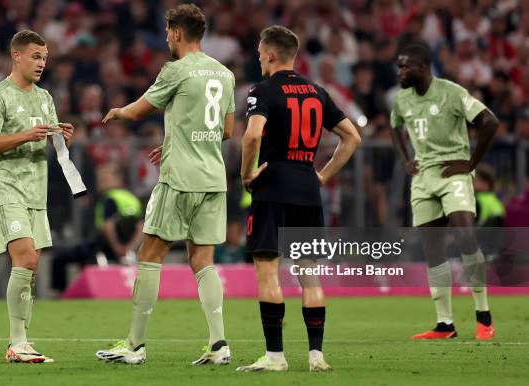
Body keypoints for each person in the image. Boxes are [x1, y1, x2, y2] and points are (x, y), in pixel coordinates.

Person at [94, 4, 235, 365]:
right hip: (213, 179)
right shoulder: (225, 73)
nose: (166, 36)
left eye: (168, 30)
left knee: (150, 254)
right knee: (203, 260)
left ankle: (135, 346)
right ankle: (219, 345)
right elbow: (228, 130)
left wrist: (117, 112)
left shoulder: (176, 70)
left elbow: (140, 109)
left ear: (176, 32)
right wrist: (179, 140)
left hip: (180, 178)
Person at [236, 26, 361, 372]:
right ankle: (316, 356)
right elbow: (352, 138)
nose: (259, 57)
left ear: (272, 54)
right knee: (309, 274)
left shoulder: (262, 90)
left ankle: (275, 356)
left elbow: (251, 136)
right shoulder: (317, 92)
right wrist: (322, 175)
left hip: (272, 187)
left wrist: (248, 174)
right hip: (307, 188)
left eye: (261, 52)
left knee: (268, 272)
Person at [0, 30, 75, 363]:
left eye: (45, 58)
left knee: (30, 268)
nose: (41, 63)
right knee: (27, 260)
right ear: (16, 56)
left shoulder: (45, 98)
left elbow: (46, 141)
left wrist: (62, 138)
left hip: (36, 192)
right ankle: (17, 342)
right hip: (7, 187)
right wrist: (23, 136)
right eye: (36, 56)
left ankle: (21, 343)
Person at [390, 44, 499, 340]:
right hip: (423, 177)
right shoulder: (402, 101)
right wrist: (404, 158)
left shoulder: (452, 92)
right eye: (398, 67)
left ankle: (483, 315)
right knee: (433, 249)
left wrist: (471, 162)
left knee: (465, 235)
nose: (399, 72)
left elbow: (489, 121)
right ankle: (445, 324)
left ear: (423, 68)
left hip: (454, 173)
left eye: (405, 67)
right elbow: (395, 127)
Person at [50, 164, 143, 292]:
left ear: (117, 178)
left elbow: (107, 226)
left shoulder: (109, 198)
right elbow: (140, 228)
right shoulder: (132, 199)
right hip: (125, 249)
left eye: (103, 178)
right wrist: (129, 248)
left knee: (59, 258)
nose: (99, 182)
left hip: (100, 248)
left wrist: (116, 247)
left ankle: (59, 293)